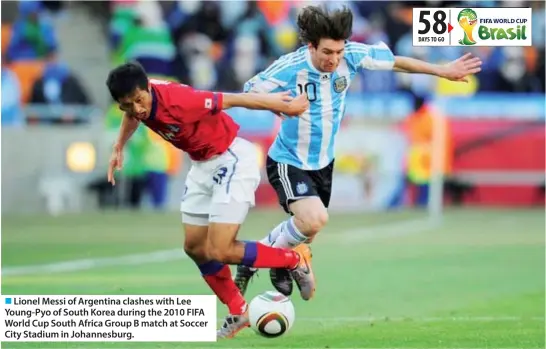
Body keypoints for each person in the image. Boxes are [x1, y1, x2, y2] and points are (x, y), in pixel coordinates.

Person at [234, 5, 482, 299]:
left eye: (338, 52)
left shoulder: (350, 56)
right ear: (311, 46)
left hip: (323, 163)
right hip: (287, 159)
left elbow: (396, 62)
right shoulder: (290, 66)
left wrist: (442, 70)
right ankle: (280, 262)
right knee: (314, 220)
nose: (334, 59)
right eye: (327, 52)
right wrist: (280, 104)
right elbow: (249, 90)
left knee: (307, 229)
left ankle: (251, 261)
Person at [105, 62, 315, 339]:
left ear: (148, 89)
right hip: (202, 165)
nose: (137, 109)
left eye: (139, 100)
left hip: (231, 158)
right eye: (127, 105)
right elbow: (133, 115)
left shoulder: (179, 101)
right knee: (194, 247)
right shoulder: (138, 100)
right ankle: (239, 310)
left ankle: (292, 259)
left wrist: (280, 105)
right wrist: (119, 145)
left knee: (220, 249)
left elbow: (232, 99)